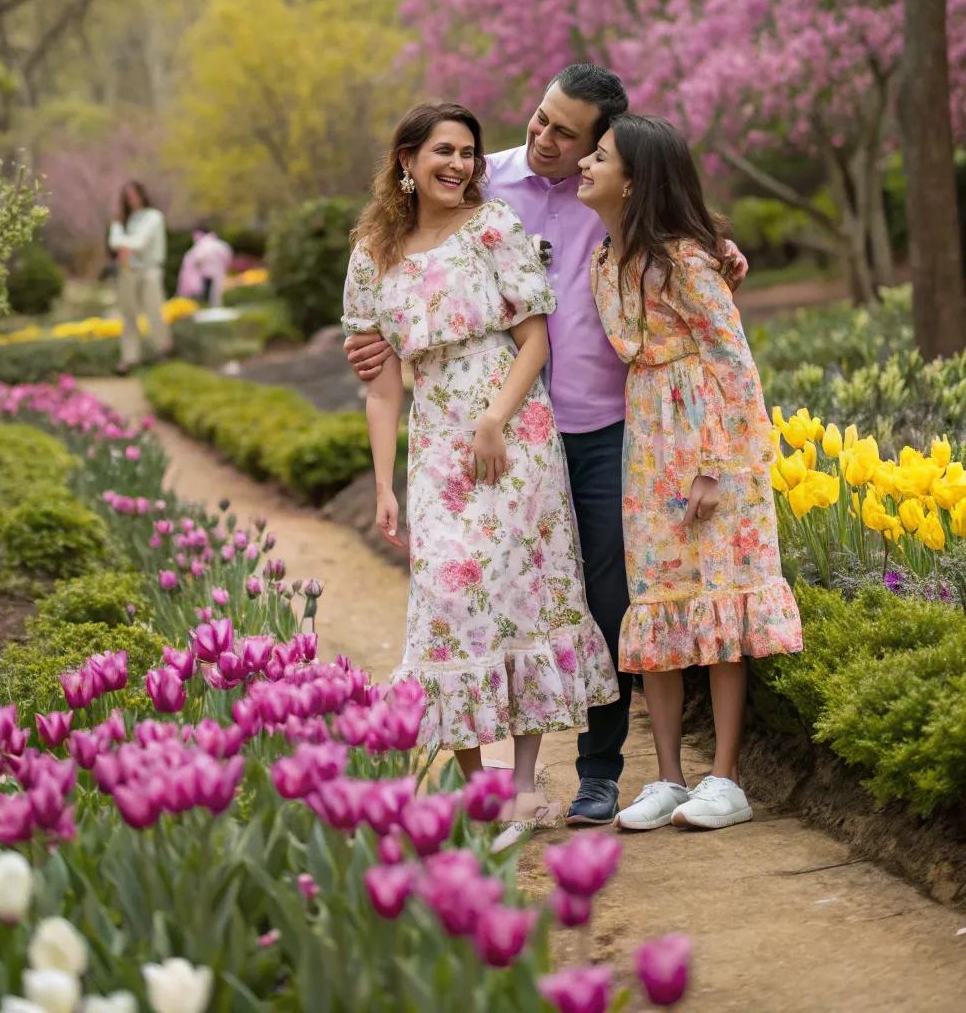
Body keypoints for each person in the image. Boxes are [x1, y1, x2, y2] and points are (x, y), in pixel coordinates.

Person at [348, 64, 744, 825]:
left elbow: (679, 229)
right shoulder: (485, 182)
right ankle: (496, 780)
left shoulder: (613, 189)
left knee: (598, 601)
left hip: (600, 427)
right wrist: (373, 352)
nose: (543, 138)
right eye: (539, 118)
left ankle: (597, 774)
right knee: (473, 596)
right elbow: (401, 282)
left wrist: (724, 253)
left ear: (602, 146)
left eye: (567, 133)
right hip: (493, 434)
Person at [342, 101, 618, 839]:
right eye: (442, 151)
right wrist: (383, 483)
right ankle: (479, 784)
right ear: (405, 161)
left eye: (467, 152)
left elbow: (534, 338)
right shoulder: (372, 252)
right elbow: (380, 381)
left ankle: (525, 788)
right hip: (435, 442)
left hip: (514, 432)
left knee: (523, 595)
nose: (459, 165)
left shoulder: (494, 228)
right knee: (446, 607)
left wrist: (496, 417)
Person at [578, 113, 803, 832]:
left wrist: (715, 466)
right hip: (647, 447)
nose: (584, 164)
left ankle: (726, 778)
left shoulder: (684, 261)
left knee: (720, 605)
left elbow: (734, 365)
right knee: (661, 607)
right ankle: (669, 778)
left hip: (711, 448)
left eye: (600, 157)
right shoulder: (603, 261)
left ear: (634, 179)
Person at [108, 181, 172, 376]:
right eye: (128, 196)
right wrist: (124, 242)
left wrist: (123, 243)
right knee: (128, 315)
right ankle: (129, 358)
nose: (132, 199)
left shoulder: (153, 217)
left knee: (154, 311)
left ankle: (163, 349)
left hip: (149, 269)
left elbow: (139, 243)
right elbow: (113, 242)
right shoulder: (122, 220)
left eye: (134, 194)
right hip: (128, 271)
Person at [177, 226, 233, 306]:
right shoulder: (221, 245)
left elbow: (195, 261)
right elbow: (228, 260)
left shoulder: (201, 246)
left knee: (207, 299)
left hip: (205, 276)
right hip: (218, 275)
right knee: (217, 297)